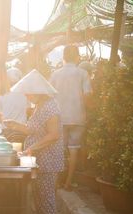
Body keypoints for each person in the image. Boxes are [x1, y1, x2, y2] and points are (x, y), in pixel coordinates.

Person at [4, 70, 64, 214]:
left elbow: (53, 135)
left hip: (48, 160)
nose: (26, 95)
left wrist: (32, 148)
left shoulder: (50, 106)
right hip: (39, 160)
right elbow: (33, 129)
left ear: (38, 91)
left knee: (46, 202)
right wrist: (14, 125)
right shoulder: (40, 106)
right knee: (39, 201)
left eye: (28, 92)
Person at [49, 45, 91, 191]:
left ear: (63, 57)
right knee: (74, 149)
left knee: (58, 150)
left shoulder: (55, 74)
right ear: (78, 57)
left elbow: (50, 97)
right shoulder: (83, 73)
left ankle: (56, 182)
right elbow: (87, 95)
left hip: (59, 117)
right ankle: (68, 182)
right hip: (78, 116)